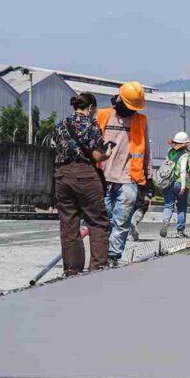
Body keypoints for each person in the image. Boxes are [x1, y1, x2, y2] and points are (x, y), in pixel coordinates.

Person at [53, 93, 113, 276]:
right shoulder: (90, 124)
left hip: (62, 176)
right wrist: (107, 153)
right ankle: (98, 268)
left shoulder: (60, 125)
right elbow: (96, 155)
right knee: (98, 221)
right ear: (91, 108)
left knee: (69, 224)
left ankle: (72, 271)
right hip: (84, 175)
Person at [97, 81, 151, 265]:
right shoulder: (103, 116)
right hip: (102, 177)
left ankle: (113, 256)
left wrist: (147, 178)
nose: (131, 111)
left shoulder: (141, 120)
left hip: (129, 178)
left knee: (122, 221)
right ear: (120, 99)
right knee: (104, 220)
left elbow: (146, 152)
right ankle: (101, 254)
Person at [160, 132, 190, 238]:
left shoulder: (169, 151)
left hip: (168, 182)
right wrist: (183, 186)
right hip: (179, 183)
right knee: (181, 208)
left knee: (168, 205)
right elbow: (183, 171)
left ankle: (165, 221)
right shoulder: (185, 155)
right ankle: (180, 231)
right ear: (185, 144)